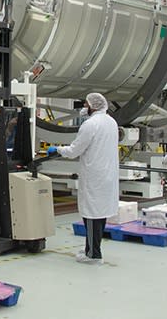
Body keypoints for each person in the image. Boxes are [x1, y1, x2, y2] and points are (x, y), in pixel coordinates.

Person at [47, 93, 119, 265]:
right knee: (98, 214)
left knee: (92, 214)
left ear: (93, 106)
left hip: (95, 175)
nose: (83, 107)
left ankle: (94, 255)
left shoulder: (90, 124)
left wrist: (57, 149)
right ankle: (90, 249)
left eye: (86, 104)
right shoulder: (111, 122)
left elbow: (74, 150)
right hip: (107, 173)